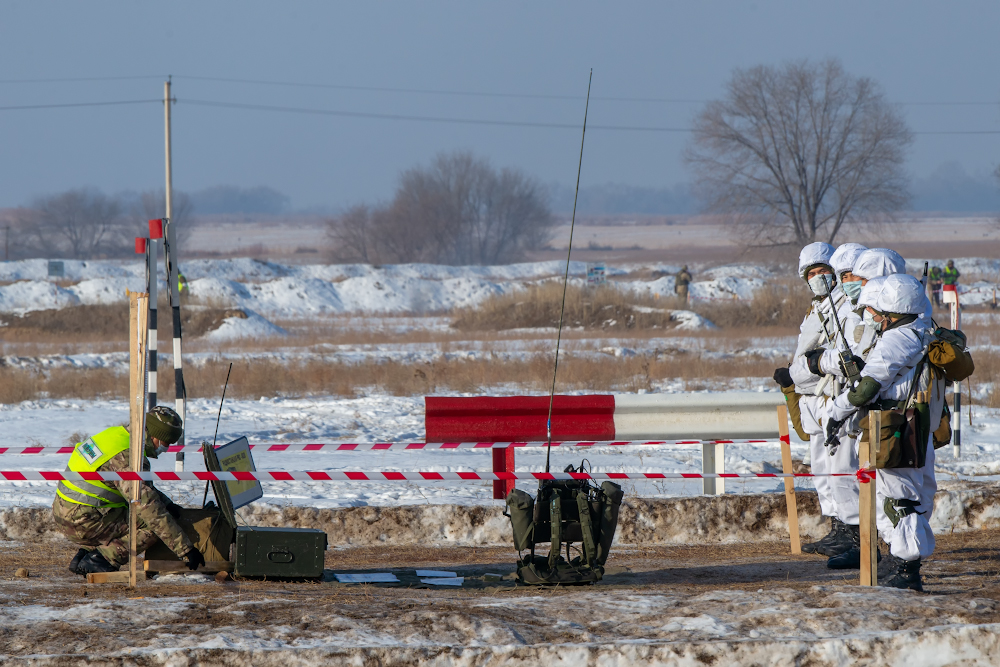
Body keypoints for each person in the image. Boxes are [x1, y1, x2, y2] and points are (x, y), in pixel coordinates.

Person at [824, 273, 944, 590]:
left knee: (898, 498)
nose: (874, 316)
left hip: (897, 426)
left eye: (878, 311)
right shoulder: (926, 332)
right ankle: (903, 560)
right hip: (921, 424)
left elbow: (867, 389)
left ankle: (906, 568)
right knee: (916, 496)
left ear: (892, 310)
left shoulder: (896, 340)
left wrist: (837, 410)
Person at [52, 406, 205, 575]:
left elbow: (141, 488)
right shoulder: (130, 458)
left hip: (66, 513)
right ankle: (101, 559)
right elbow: (149, 510)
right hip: (83, 521)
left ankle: (85, 554)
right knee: (152, 523)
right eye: (165, 443)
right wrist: (185, 550)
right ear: (154, 435)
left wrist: (168, 504)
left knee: (136, 510)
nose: (165, 448)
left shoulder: (116, 436)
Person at [774, 241, 853, 557]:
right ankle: (838, 529)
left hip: (831, 399)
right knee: (824, 472)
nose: (819, 277)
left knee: (842, 472)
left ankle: (852, 536)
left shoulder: (842, 305)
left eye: (824, 271)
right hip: (813, 403)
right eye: (813, 273)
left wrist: (796, 375)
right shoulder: (818, 306)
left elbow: (828, 357)